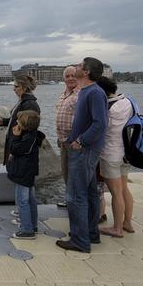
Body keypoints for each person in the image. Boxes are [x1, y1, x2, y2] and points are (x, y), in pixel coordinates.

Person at [56, 57, 108, 253]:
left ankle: (79, 240)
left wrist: (80, 140)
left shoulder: (94, 92)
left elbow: (100, 123)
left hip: (84, 150)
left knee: (75, 195)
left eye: (79, 65)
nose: (76, 67)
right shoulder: (88, 91)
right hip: (83, 148)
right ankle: (91, 234)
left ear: (86, 72)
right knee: (91, 192)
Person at [97, 76, 135, 237]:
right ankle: (127, 222)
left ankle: (117, 228)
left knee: (115, 192)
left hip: (110, 153)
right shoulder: (128, 101)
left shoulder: (106, 107)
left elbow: (101, 129)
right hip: (127, 152)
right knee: (124, 188)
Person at [7, 110, 45, 240]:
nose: (16, 122)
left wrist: (15, 136)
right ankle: (32, 225)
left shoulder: (28, 138)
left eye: (19, 121)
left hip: (23, 172)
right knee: (31, 200)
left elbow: (16, 149)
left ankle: (27, 230)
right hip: (28, 172)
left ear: (25, 125)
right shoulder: (33, 135)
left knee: (22, 201)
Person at [0, 74, 41, 166]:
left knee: (18, 176)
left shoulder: (30, 104)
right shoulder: (23, 102)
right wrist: (3, 121)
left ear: (24, 87)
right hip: (14, 145)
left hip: (19, 149)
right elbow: (17, 121)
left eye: (16, 86)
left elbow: (28, 132)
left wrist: (15, 152)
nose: (14, 89)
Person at [55, 66, 79, 208]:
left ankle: (75, 201)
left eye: (73, 75)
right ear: (64, 78)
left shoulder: (80, 94)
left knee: (75, 175)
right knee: (66, 173)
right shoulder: (63, 94)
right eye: (67, 76)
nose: (70, 78)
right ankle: (69, 199)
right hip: (63, 141)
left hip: (74, 142)